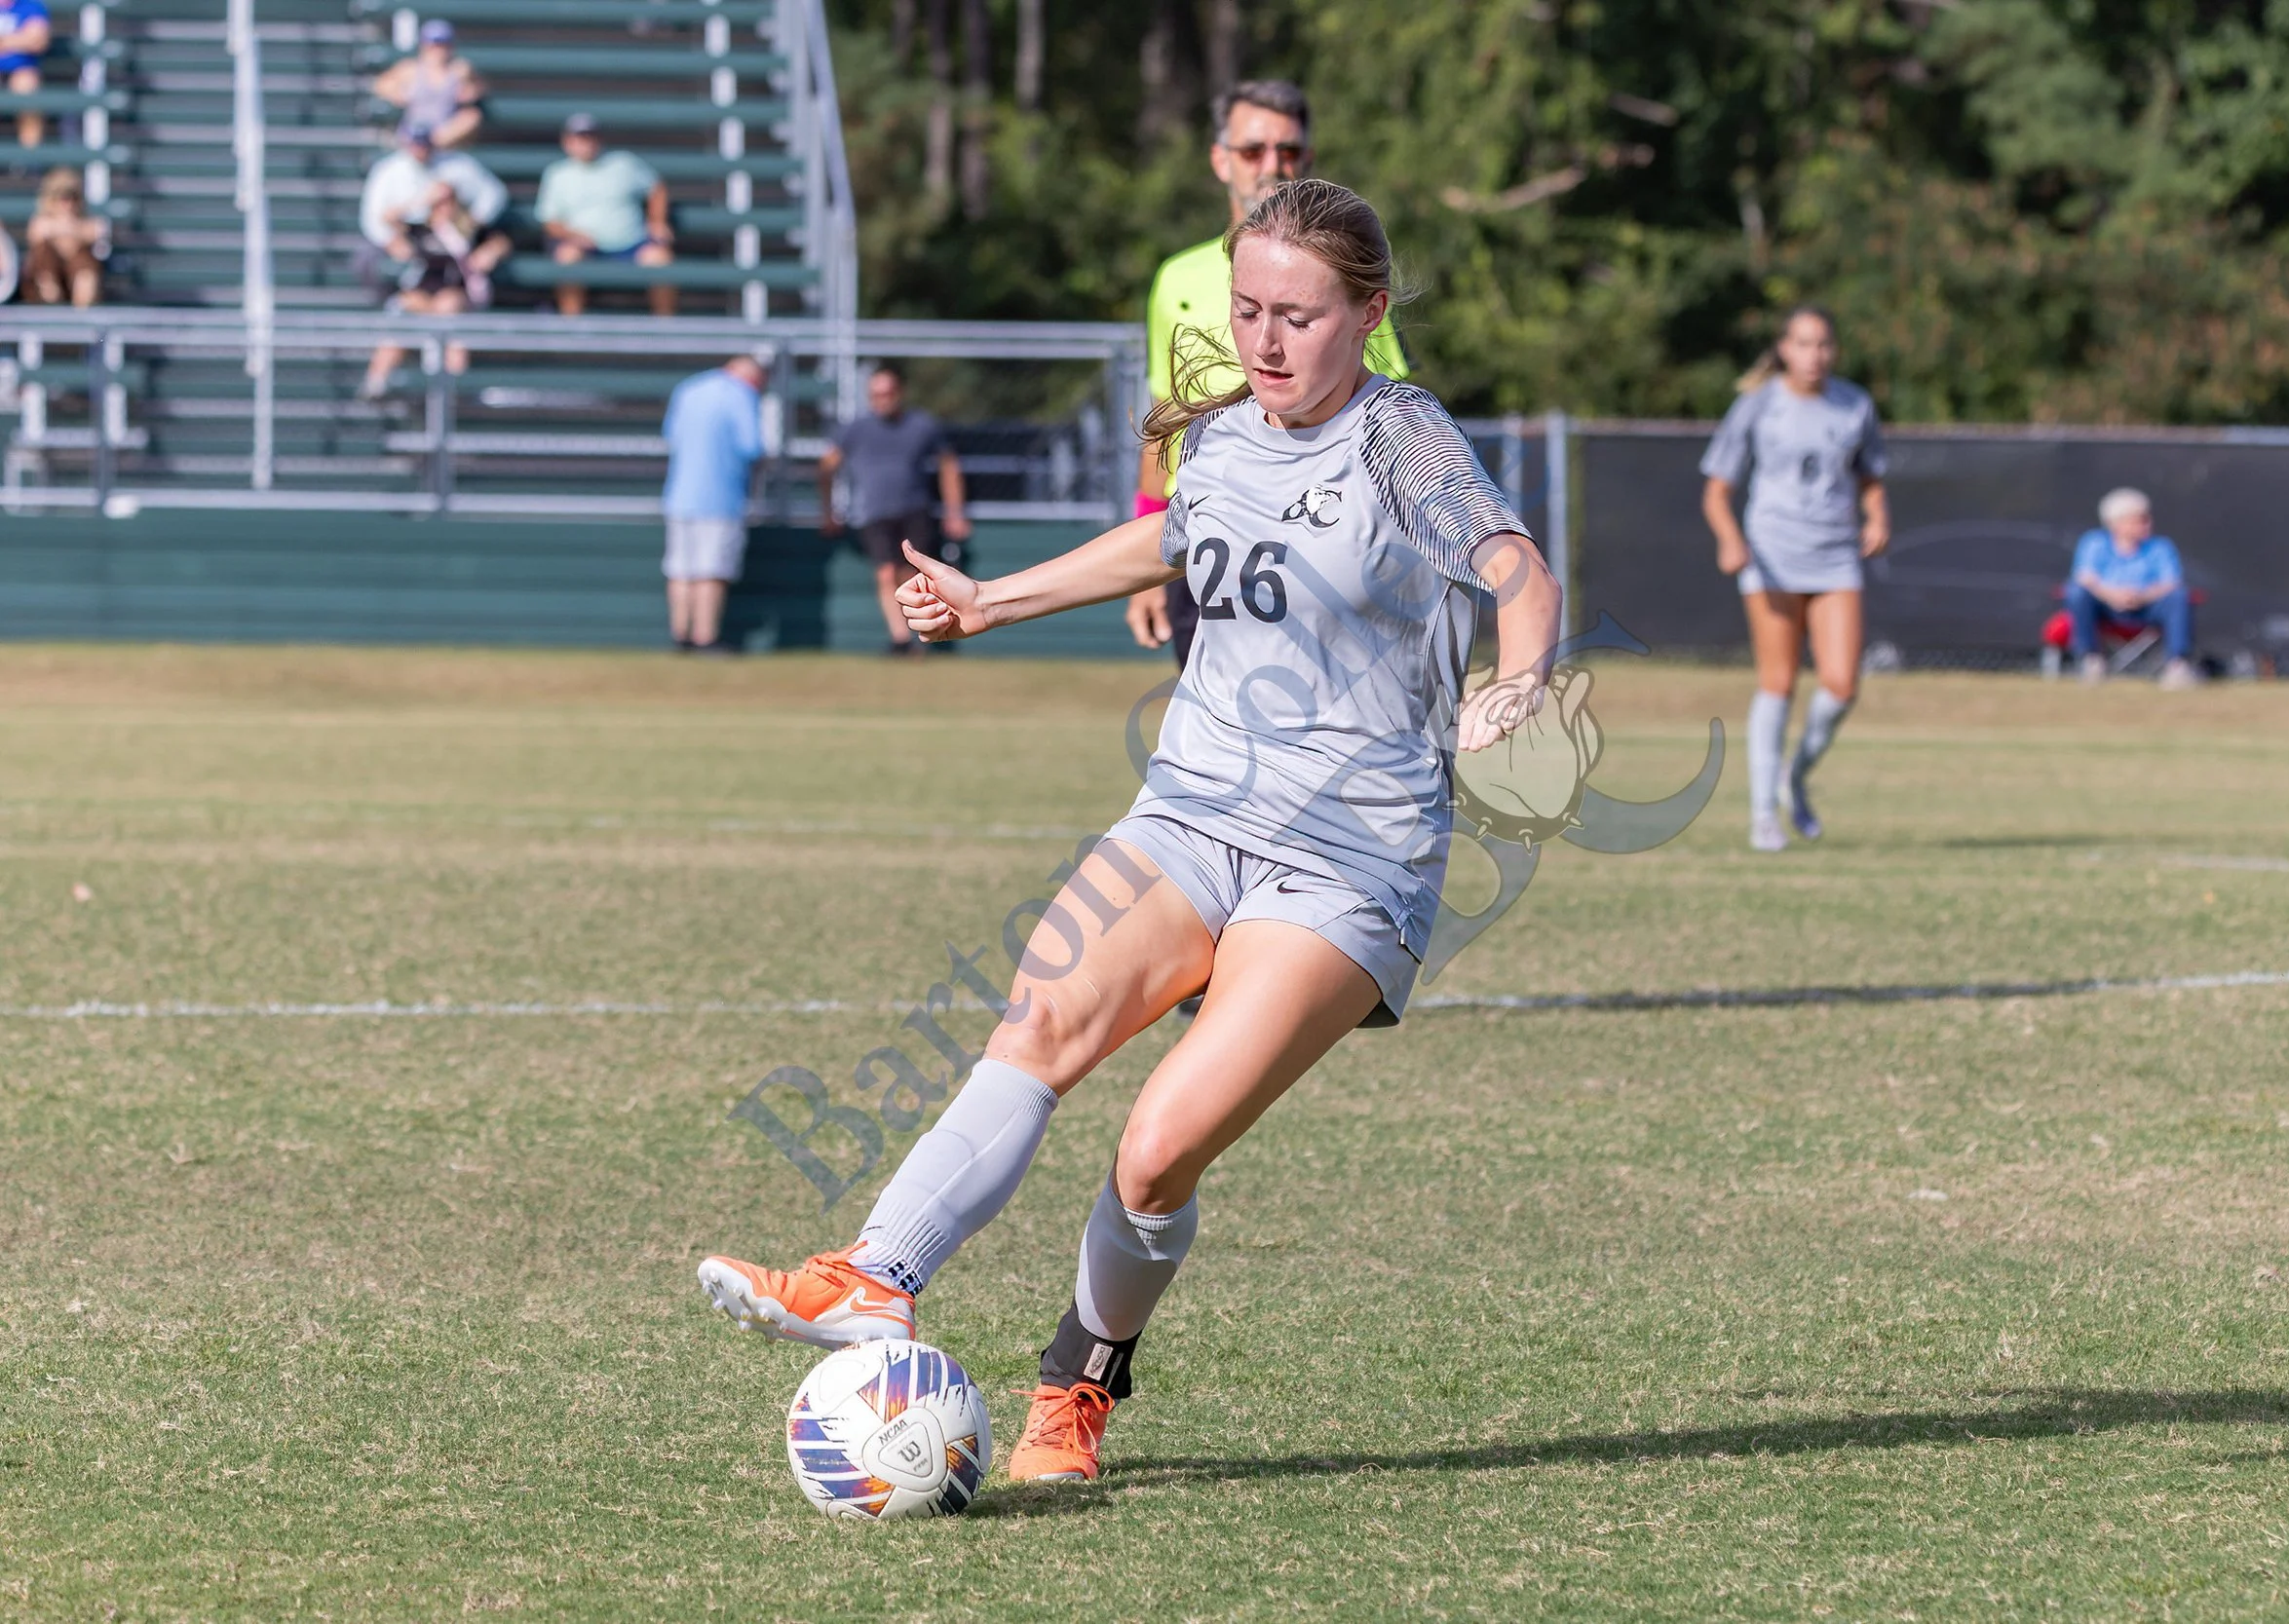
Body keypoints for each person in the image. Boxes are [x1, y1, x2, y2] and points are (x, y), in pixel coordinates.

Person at [696, 179, 1562, 1487]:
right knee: (1038, 1022)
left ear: (1368, 313)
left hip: (1349, 858)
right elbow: (1160, 544)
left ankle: (1077, 1384)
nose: (1267, 341)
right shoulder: (1217, 437)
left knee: (1156, 1152)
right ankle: (875, 1273)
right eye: (1249, 310)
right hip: (1193, 808)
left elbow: (1513, 566)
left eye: (1300, 317)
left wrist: (1522, 672)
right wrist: (989, 600)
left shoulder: (1398, 436)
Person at [1124, 79, 1411, 669]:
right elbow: (1165, 418)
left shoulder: (1342, 275)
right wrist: (1147, 562)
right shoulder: (1177, 279)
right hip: (1204, 532)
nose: (1272, 165)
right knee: (1213, 711)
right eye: (1253, 150)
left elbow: (1390, 411)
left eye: (1289, 151)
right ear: (1220, 159)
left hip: (1319, 532)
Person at [1699, 305, 1889, 852]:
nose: (1815, 355)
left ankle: (1794, 775)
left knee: (1842, 685)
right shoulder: (1758, 404)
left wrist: (1878, 517)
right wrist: (1730, 539)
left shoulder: (1854, 404)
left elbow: (1871, 476)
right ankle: (1763, 815)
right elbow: (1716, 490)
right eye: (1803, 344)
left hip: (1834, 556)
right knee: (1778, 682)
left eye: (1824, 344)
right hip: (1773, 555)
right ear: (1784, 348)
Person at [818, 367, 972, 657]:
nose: (882, 400)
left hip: (915, 510)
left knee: (911, 574)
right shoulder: (856, 429)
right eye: (875, 395)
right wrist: (828, 512)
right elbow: (826, 467)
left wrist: (955, 512)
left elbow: (949, 466)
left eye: (887, 394)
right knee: (886, 573)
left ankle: (921, 635)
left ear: (899, 394)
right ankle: (900, 639)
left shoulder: (922, 425)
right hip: (874, 514)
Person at [359, 181, 509, 398]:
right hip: (423, 299)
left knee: (448, 306)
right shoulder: (421, 231)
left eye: (448, 202)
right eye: (438, 203)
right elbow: (387, 218)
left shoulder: (468, 231)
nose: (443, 208)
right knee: (404, 311)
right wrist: (422, 200)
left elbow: (501, 241)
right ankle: (376, 383)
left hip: (455, 300)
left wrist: (490, 252)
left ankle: (449, 390)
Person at [661, 356, 767, 653]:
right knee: (712, 571)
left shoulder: (688, 389)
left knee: (680, 570)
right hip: (721, 499)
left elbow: (671, 436)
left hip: (679, 497)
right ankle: (705, 637)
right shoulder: (741, 394)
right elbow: (752, 447)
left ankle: (680, 635)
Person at [536, 114, 673, 318]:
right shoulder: (557, 174)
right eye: (580, 137)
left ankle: (665, 324)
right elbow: (550, 221)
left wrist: (657, 221)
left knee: (660, 259)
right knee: (567, 257)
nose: (586, 143)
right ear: (567, 142)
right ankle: (572, 325)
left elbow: (656, 188)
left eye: (590, 136)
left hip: (633, 244)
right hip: (586, 248)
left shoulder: (624, 163)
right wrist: (574, 236)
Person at [355, 123, 506, 299]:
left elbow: (494, 199)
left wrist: (473, 223)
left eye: (423, 144)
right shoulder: (389, 170)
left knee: (449, 301)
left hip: (453, 279)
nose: (420, 150)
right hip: (410, 251)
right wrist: (392, 239)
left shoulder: (458, 165)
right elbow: (378, 217)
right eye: (415, 144)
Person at [2065, 488, 2197, 690]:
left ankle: (2178, 666)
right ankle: (2090, 661)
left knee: (2178, 597)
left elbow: (2171, 582)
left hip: (2147, 608)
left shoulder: (2160, 547)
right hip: (2105, 608)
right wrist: (2113, 595)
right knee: (2077, 593)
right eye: (2140, 519)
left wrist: (2141, 596)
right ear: (2117, 523)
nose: (2148, 524)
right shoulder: (2094, 543)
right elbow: (2085, 578)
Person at [369, 19, 483, 150]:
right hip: (413, 133)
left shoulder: (460, 69)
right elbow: (380, 84)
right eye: (433, 44)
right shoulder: (410, 69)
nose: (438, 50)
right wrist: (397, 93)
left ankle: (430, 145)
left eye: (442, 44)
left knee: (471, 116)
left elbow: (478, 88)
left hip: (443, 136)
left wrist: (470, 91)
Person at [21, 165, 99, 306]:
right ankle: (51, 300)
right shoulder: (40, 221)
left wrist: (64, 231)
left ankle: (82, 306)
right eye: (62, 197)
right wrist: (72, 231)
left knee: (84, 262)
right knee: (44, 257)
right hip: (45, 284)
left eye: (73, 197)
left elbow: (95, 232)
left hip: (74, 280)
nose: (68, 204)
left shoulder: (87, 221)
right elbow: (37, 233)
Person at [0, 0, 49, 149]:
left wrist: (4, 41)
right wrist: (19, 39)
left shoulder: (31, 5)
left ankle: (29, 157)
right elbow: (29, 38)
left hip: (21, 70)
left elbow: (37, 41)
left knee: (26, 85)